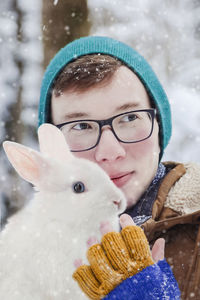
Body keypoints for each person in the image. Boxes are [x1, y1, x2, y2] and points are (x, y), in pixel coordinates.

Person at [38, 36, 200, 299]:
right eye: (81, 126)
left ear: (158, 126)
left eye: (129, 118)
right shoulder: (22, 259)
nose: (109, 152)